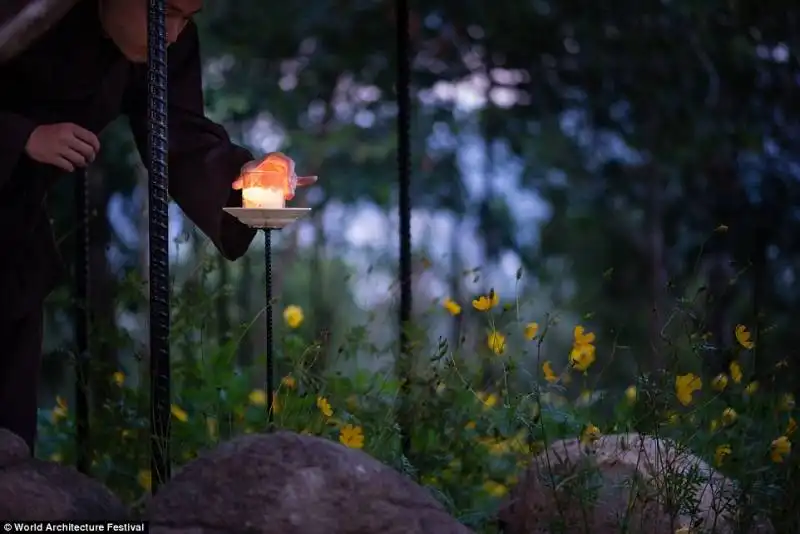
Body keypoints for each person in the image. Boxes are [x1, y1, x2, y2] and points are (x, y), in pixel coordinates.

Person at [0, 0, 286, 454]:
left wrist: (250, 181)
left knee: (10, 443)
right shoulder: (27, 13)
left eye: (186, 19)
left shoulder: (159, 45)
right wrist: (22, 136)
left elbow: (182, 136)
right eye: (166, 12)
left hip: (13, 250)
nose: (171, 34)